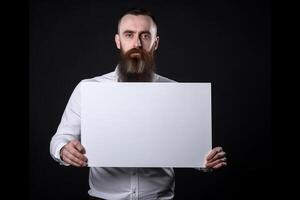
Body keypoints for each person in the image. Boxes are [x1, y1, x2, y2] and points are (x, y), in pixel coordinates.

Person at [50, 8, 227, 200]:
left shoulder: (175, 91)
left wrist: (205, 160)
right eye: (129, 35)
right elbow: (60, 138)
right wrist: (63, 150)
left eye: (145, 36)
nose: (137, 43)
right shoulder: (88, 88)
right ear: (118, 41)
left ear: (155, 42)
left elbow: (189, 148)